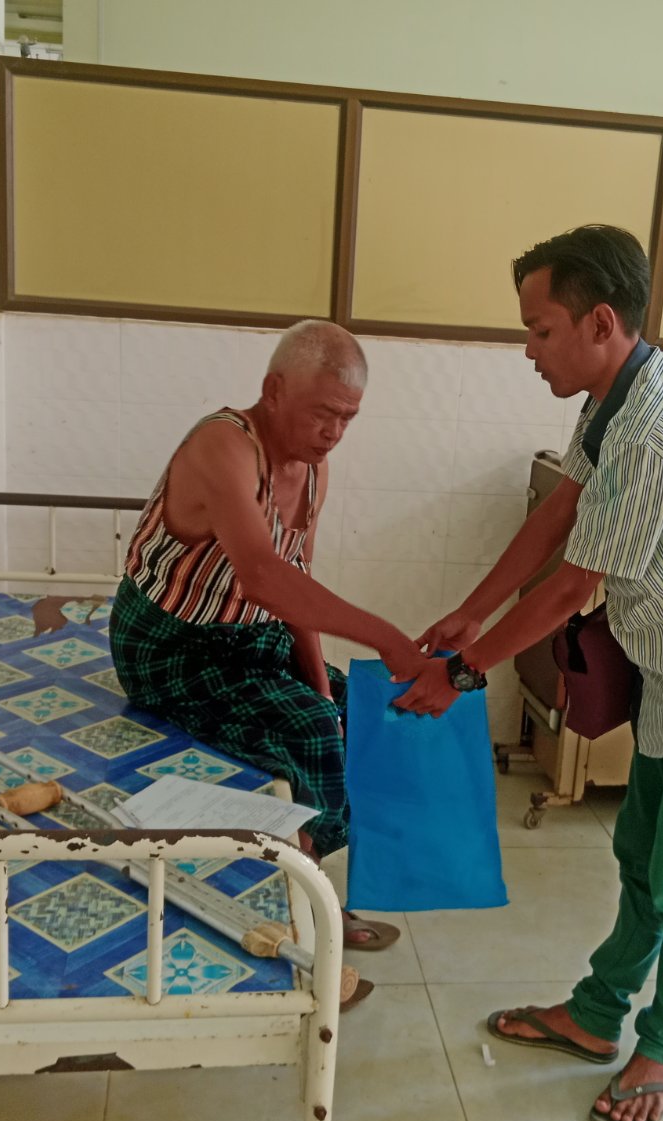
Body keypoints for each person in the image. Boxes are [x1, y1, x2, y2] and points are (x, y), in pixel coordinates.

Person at [397, 225, 663, 1121]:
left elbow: (572, 586)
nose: (529, 349)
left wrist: (464, 673)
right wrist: (473, 610)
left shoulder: (655, 431)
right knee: (640, 859)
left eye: (540, 329)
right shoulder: (617, 402)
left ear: (599, 322)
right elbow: (563, 508)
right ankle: (595, 1016)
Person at [110, 318, 426, 952]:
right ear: (274, 390)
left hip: (249, 643)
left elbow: (295, 579)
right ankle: (310, 905)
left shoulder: (312, 470)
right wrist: (387, 638)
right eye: (323, 414)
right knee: (310, 730)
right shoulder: (222, 446)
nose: (334, 432)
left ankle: (305, 874)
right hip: (169, 647)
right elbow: (262, 577)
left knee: (354, 711)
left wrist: (320, 685)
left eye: (347, 419)